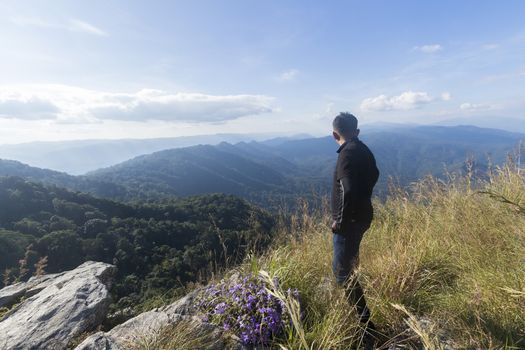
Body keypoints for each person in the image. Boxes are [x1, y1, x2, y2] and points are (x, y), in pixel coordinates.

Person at [330, 112, 379, 331]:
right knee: (350, 262)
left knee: (341, 273)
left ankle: (365, 325)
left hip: (349, 223)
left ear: (334, 135)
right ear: (357, 131)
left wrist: (340, 221)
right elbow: (375, 174)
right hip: (363, 216)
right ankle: (360, 315)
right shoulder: (364, 149)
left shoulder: (346, 155)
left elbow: (347, 190)